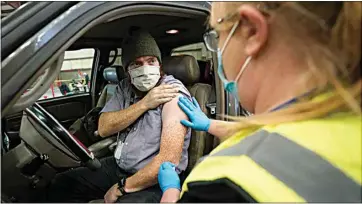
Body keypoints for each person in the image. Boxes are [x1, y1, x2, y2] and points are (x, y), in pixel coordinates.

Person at [158, 2, 361, 203]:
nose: (218, 46)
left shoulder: (226, 183)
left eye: (218, 35)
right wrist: (210, 124)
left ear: (252, 31)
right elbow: (288, 134)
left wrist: (172, 194)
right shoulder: (347, 114)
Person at [46, 30, 192, 203]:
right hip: (120, 167)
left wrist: (122, 187)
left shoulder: (173, 93)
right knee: (63, 183)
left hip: (157, 179)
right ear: (127, 71)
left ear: (159, 65)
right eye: (137, 64)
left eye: (151, 61)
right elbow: (103, 127)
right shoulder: (125, 88)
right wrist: (145, 103)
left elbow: (168, 160)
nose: (145, 68)